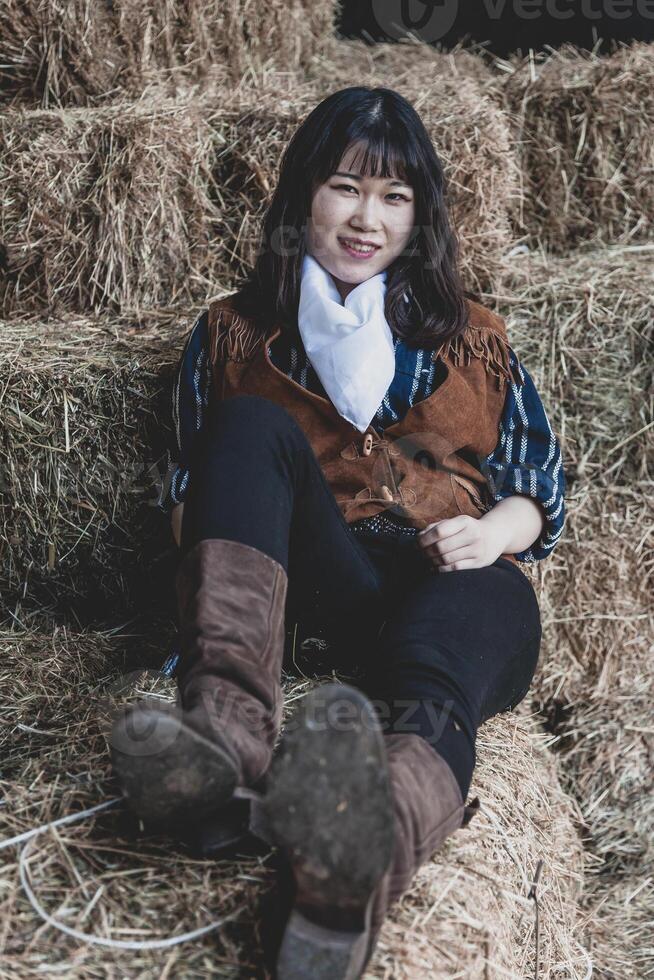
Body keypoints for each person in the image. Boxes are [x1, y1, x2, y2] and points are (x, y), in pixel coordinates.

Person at [110, 86, 565, 979]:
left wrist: (493, 534)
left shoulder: (476, 338)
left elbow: (539, 491)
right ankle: (223, 749)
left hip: (454, 585)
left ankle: (357, 856)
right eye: (346, 187)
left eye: (394, 197)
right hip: (321, 586)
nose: (367, 219)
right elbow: (190, 494)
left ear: (420, 216)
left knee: (443, 657)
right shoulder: (234, 335)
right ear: (302, 196)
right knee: (243, 431)